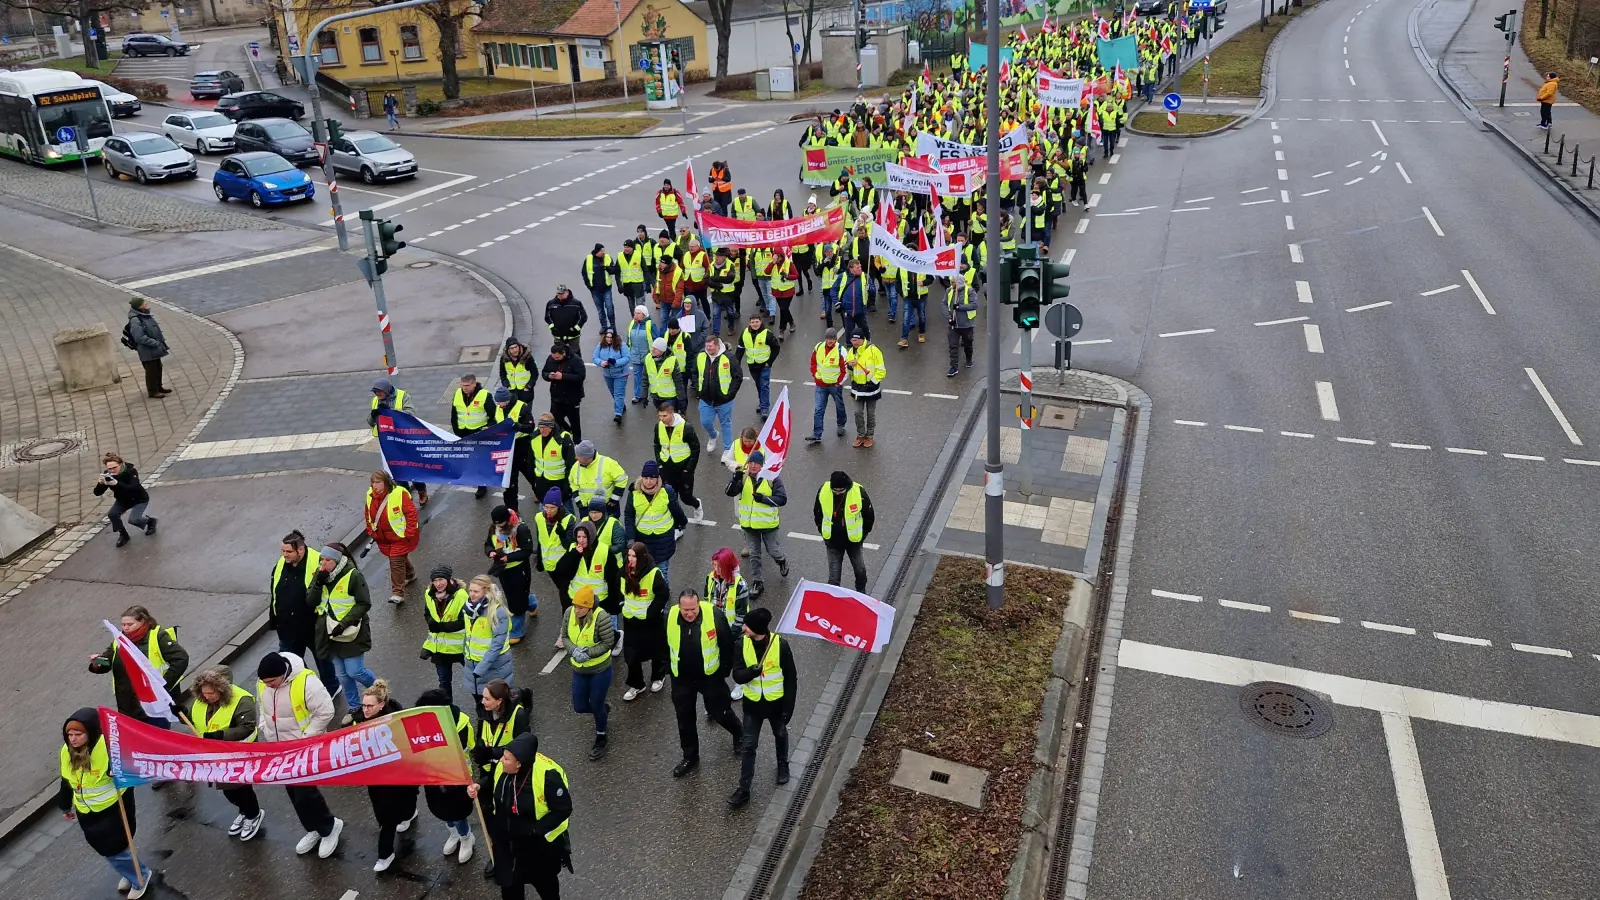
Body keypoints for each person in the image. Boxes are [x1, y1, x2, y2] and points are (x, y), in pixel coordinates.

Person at [58, 708, 155, 898]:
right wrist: (64, 805)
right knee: (111, 848)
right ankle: (130, 870)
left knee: (114, 849)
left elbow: (131, 765)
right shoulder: (66, 751)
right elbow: (66, 780)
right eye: (70, 734)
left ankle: (140, 876)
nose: (73, 739)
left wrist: (118, 769)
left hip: (113, 808)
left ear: (90, 732)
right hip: (87, 811)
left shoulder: (110, 747)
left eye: (78, 734)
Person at [257, 650, 343, 858]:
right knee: (293, 793)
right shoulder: (264, 683)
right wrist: (264, 728)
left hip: (302, 748)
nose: (268, 685)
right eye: (265, 682)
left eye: (272, 681)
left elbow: (326, 711)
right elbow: (263, 708)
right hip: (280, 749)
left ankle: (329, 827)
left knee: (306, 793)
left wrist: (307, 737)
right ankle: (312, 829)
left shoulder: (306, 682)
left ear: (282, 674)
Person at [468, 732, 573, 900]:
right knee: (510, 889)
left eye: (507, 759)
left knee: (547, 888)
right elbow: (493, 780)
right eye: (503, 756)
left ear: (519, 764)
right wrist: (479, 786)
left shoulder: (548, 777)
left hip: (537, 848)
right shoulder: (503, 766)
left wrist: (536, 830)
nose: (502, 760)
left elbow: (563, 809)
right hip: (507, 845)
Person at [665, 590, 743, 778]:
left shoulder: (714, 615)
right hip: (682, 678)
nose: (689, 614)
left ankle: (739, 733)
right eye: (685, 610)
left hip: (710, 677)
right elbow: (663, 643)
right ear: (679, 606)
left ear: (698, 604)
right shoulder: (669, 616)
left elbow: (727, 645)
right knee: (684, 719)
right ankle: (690, 756)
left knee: (720, 712)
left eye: (693, 609)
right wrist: (668, 668)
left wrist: (723, 672)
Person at [727, 607, 796, 807]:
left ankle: (783, 764)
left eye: (747, 625)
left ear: (758, 628)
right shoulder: (741, 644)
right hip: (753, 706)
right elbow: (737, 675)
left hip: (776, 704)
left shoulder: (780, 645)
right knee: (748, 746)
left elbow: (791, 679)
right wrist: (751, 672)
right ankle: (744, 788)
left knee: (781, 734)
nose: (744, 628)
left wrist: (787, 710)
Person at [189, 666, 262, 839]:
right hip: (216, 755)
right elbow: (198, 721)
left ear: (222, 689)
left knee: (241, 789)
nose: (207, 697)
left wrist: (220, 735)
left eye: (211, 694)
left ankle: (253, 815)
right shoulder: (203, 699)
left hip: (238, 754)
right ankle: (244, 811)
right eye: (204, 693)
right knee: (228, 791)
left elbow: (247, 727)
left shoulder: (242, 701)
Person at [355, 680, 420, 872]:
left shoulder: (396, 720)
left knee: (393, 812)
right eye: (363, 705)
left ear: (381, 705)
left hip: (397, 773)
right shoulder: (359, 719)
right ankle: (406, 816)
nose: (365, 709)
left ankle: (385, 854)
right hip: (375, 776)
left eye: (370, 706)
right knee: (384, 812)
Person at [89, 605, 187, 727]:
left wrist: (163, 685)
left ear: (143, 622)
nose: (125, 628)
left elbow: (181, 659)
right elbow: (108, 661)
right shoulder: (120, 639)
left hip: (153, 701)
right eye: (123, 625)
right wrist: (98, 663)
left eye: (130, 624)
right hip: (127, 702)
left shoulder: (157, 637)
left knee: (156, 738)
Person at [310, 542, 375, 722]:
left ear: (337, 561)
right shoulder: (319, 575)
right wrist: (318, 583)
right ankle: (355, 708)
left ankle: (379, 693)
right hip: (330, 633)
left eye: (328, 560)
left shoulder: (353, 576)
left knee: (355, 671)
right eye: (321, 559)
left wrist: (344, 623)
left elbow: (364, 603)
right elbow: (311, 601)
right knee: (343, 676)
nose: (323, 564)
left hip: (351, 632)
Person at [271, 530, 339, 695]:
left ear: (300, 550)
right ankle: (311, 689)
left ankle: (332, 688)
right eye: (283, 551)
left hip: (312, 626)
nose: (284, 555)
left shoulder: (318, 562)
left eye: (288, 552)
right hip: (287, 627)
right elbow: (275, 590)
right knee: (291, 663)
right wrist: (275, 618)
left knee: (323, 660)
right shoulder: (282, 563)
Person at [415, 687, 477, 864]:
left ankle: (466, 838)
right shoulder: (420, 723)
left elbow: (468, 746)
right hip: (433, 776)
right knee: (440, 808)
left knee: (458, 812)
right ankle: (454, 834)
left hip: (457, 775)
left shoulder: (461, 722)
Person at [724, 451, 788, 599]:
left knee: (773, 551)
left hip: (768, 525)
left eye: (757, 463)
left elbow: (782, 499)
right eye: (751, 463)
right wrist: (735, 480)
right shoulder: (743, 476)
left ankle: (781, 560)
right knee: (754, 554)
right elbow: (729, 492)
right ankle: (757, 582)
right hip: (749, 525)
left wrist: (763, 499)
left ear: (762, 464)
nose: (753, 466)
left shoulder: (773, 478)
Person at [565, 585, 617, 759]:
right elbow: (564, 636)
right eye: (575, 606)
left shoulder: (601, 617)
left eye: (580, 607)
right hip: (579, 669)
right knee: (579, 706)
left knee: (595, 703)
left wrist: (588, 653)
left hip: (599, 669)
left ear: (589, 607)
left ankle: (601, 736)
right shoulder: (569, 613)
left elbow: (608, 642)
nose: (576, 610)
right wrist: (573, 651)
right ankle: (603, 709)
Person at [553, 520, 621, 648]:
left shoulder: (604, 550)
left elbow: (613, 578)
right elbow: (560, 570)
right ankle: (566, 635)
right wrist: (574, 555)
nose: (581, 540)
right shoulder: (573, 549)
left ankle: (616, 637)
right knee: (577, 621)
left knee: (598, 626)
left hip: (599, 598)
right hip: (577, 596)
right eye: (578, 537)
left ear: (591, 536)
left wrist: (615, 600)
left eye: (584, 537)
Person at [619, 541, 670, 700]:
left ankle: (658, 676)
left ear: (641, 557)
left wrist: (650, 613)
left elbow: (663, 594)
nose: (630, 559)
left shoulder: (654, 573)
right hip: (630, 620)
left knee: (656, 651)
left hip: (650, 621)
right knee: (631, 655)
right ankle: (637, 684)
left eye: (633, 556)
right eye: (629, 555)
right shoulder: (624, 571)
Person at [623, 460, 688, 580]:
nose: (648, 481)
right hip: (643, 540)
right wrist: (631, 539)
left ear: (657, 478)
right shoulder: (634, 493)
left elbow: (676, 510)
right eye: (646, 478)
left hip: (663, 540)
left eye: (652, 478)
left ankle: (663, 597)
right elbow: (629, 516)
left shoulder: (666, 491)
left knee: (662, 572)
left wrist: (682, 522)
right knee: (644, 572)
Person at [815, 471, 875, 593]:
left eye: (841, 491)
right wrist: (823, 532)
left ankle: (861, 593)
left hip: (853, 542)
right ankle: (834, 601)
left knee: (860, 571)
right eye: (835, 491)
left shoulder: (858, 491)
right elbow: (817, 513)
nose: (837, 493)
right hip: (832, 542)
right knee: (833, 578)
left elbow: (869, 516)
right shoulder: (824, 490)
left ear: (846, 487)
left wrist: (862, 535)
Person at [372, 378, 429, 506]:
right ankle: (405, 496)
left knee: (412, 466)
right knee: (397, 469)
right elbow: (371, 422)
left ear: (386, 390)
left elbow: (410, 414)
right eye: (375, 393)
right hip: (389, 442)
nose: (377, 395)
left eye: (379, 392)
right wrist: (373, 415)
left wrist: (391, 412)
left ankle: (421, 491)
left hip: (405, 439)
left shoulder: (403, 396)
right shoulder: (376, 401)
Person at [365, 469, 419, 604]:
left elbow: (411, 514)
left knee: (395, 562)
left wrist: (408, 533)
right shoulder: (370, 495)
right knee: (399, 559)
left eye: (378, 482)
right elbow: (367, 513)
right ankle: (410, 574)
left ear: (386, 482)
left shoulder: (399, 494)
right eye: (373, 482)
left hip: (399, 537)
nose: (374, 486)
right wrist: (371, 530)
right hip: (383, 538)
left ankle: (397, 592)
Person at [464, 575, 515, 712]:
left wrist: (480, 669)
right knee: (481, 704)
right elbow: (468, 635)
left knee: (497, 706)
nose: (472, 594)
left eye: (476, 591)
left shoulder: (498, 612)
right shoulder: (469, 609)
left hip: (493, 667)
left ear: (486, 591)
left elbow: (497, 645)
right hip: (474, 666)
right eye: (470, 590)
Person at [486, 505, 535, 643]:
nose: (499, 527)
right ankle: (531, 603)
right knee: (513, 595)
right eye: (497, 524)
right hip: (503, 570)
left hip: (519, 569)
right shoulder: (494, 528)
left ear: (508, 520)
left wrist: (508, 558)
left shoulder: (521, 529)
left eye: (501, 524)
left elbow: (527, 550)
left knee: (516, 601)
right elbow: (488, 543)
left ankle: (517, 632)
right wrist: (490, 551)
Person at [422, 564, 469, 704]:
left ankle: (484, 707)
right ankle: (448, 714)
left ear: (448, 579)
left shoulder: (461, 595)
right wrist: (431, 622)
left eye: (441, 579)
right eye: (435, 580)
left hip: (461, 648)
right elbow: (427, 613)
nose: (438, 584)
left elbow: (464, 622)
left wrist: (440, 627)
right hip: (440, 649)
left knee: (475, 680)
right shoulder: (429, 594)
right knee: (444, 685)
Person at [695, 333, 743, 460]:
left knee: (726, 424)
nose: (708, 349)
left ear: (717, 345)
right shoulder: (701, 356)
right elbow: (694, 372)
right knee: (705, 422)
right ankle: (713, 435)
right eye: (707, 346)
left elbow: (737, 377)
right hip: (706, 399)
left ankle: (728, 450)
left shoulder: (729, 358)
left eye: (710, 346)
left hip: (724, 401)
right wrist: (698, 389)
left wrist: (730, 394)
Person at [473, 679, 531, 783]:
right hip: (487, 767)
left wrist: (491, 752)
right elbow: (481, 734)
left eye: (487, 699)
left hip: (507, 770)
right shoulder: (484, 709)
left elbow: (523, 747)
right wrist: (479, 748)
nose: (483, 701)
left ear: (499, 701)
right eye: (483, 697)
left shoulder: (518, 715)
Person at [93, 452, 155, 548]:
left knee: (134, 520)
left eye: (115, 467)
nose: (112, 470)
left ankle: (150, 521)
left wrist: (117, 483)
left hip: (139, 499)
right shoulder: (108, 475)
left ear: (121, 464)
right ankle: (123, 535)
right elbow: (97, 493)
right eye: (109, 468)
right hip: (123, 500)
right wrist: (100, 483)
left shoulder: (131, 471)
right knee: (112, 514)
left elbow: (133, 488)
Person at [654, 401, 702, 517]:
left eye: (664, 416)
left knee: (686, 497)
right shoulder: (658, 426)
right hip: (666, 467)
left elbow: (695, 448)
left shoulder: (686, 427)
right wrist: (660, 463)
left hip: (683, 468)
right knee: (670, 497)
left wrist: (689, 469)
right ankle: (677, 525)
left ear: (672, 413)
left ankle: (697, 504)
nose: (662, 419)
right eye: (660, 416)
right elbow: (657, 445)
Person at [493, 385, 536, 514]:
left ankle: (540, 492)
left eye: (500, 402)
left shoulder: (522, 407)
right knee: (510, 480)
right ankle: (512, 509)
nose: (499, 405)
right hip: (507, 447)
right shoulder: (499, 408)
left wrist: (517, 426)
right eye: (497, 402)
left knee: (530, 473)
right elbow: (496, 422)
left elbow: (530, 427)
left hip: (522, 446)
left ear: (507, 400)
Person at [804, 329, 849, 445]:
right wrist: (815, 375)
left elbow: (845, 370)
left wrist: (838, 383)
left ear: (836, 339)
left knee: (839, 406)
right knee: (818, 409)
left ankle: (841, 424)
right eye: (828, 338)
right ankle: (817, 434)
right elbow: (813, 362)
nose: (830, 341)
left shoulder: (841, 351)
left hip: (835, 386)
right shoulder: (818, 347)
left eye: (832, 339)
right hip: (821, 385)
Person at [453, 373, 493, 499]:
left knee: (478, 459)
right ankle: (480, 479)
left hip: (479, 432)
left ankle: (482, 486)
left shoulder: (484, 395)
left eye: (467, 385)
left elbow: (493, 415)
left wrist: (488, 428)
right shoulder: (457, 394)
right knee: (470, 459)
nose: (464, 388)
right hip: (463, 432)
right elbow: (454, 414)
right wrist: (456, 430)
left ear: (474, 384)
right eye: (462, 385)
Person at [532, 489, 575, 601]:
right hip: (549, 565)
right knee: (561, 590)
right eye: (546, 507)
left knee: (565, 596)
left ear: (559, 507)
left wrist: (563, 535)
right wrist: (540, 560)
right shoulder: (539, 518)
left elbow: (570, 545)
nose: (548, 511)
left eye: (552, 508)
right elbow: (540, 540)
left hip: (564, 566)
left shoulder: (569, 519)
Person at [124, 297, 170, 399]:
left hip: (153, 349)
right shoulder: (136, 320)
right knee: (151, 371)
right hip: (147, 350)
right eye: (144, 303)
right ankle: (152, 391)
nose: (146, 304)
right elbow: (139, 337)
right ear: (139, 306)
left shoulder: (144, 314)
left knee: (158, 368)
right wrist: (154, 343)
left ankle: (159, 387)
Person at [846, 330, 886, 449]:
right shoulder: (851, 351)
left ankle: (869, 436)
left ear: (862, 339)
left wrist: (872, 382)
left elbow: (881, 371)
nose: (853, 343)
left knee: (870, 413)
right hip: (857, 388)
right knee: (858, 412)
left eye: (856, 340)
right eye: (852, 340)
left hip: (871, 389)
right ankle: (860, 435)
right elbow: (849, 370)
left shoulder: (874, 351)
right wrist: (849, 366)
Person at [567, 440, 628, 517]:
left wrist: (614, 499)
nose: (576, 458)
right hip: (585, 509)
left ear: (586, 458)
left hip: (606, 508)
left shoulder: (608, 463)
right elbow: (572, 483)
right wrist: (577, 499)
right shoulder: (576, 466)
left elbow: (622, 478)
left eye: (578, 456)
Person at [735, 313, 779, 419]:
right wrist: (736, 364)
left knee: (764, 385)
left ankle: (764, 408)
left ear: (760, 322)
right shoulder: (744, 333)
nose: (755, 324)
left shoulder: (767, 334)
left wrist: (769, 362)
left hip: (764, 365)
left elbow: (776, 348)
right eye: (753, 322)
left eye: (757, 322)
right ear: (750, 323)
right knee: (759, 385)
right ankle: (762, 402)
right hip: (752, 365)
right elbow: (740, 349)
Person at [529, 413, 575, 510]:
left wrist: (567, 486)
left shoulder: (563, 439)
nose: (542, 430)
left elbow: (571, 464)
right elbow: (531, 460)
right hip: (542, 480)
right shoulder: (534, 437)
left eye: (546, 427)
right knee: (545, 510)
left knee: (565, 509)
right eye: (540, 427)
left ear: (552, 426)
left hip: (559, 482)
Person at [542, 342, 587, 442]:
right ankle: (564, 432)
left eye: (557, 357)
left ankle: (577, 442)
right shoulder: (551, 359)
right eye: (554, 357)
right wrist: (549, 376)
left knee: (575, 422)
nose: (555, 359)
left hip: (572, 397)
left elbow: (581, 376)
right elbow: (544, 372)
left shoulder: (576, 360)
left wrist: (563, 376)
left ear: (564, 353)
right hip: (556, 396)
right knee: (555, 419)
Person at [705, 545, 751, 633]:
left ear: (728, 566)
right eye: (714, 565)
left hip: (732, 632)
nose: (716, 569)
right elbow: (706, 600)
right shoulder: (710, 578)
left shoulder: (740, 585)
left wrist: (730, 636)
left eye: (720, 566)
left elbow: (741, 615)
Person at [592, 329, 630, 424]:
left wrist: (616, 362)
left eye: (611, 337)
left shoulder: (622, 345)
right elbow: (595, 357)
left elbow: (627, 357)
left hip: (620, 374)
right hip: (607, 374)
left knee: (618, 394)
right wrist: (601, 362)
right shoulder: (600, 345)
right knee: (613, 392)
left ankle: (618, 414)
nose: (609, 339)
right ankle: (621, 406)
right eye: (607, 337)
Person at [580, 243, 618, 332]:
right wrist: (589, 286)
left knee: (609, 308)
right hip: (595, 290)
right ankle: (604, 326)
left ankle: (612, 326)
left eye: (604, 250)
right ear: (597, 251)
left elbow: (614, 270)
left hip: (606, 288)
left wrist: (608, 268)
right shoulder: (589, 259)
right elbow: (584, 273)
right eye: (602, 251)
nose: (603, 252)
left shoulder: (607, 258)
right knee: (600, 310)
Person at [946, 272, 978, 377]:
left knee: (968, 344)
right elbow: (943, 303)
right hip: (953, 325)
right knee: (953, 345)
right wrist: (949, 318)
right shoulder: (949, 291)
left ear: (958, 282)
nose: (951, 284)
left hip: (966, 325)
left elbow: (974, 305)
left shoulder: (970, 291)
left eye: (953, 282)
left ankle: (969, 358)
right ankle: (953, 367)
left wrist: (960, 307)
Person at [623, 306, 656, 408]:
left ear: (644, 315)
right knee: (637, 376)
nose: (635, 315)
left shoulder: (650, 325)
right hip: (635, 356)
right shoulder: (632, 324)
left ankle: (652, 394)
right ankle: (638, 395)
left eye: (638, 313)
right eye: (635, 313)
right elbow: (629, 339)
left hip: (648, 356)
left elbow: (656, 339)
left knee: (649, 376)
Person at [544, 285, 588, 353]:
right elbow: (547, 317)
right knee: (559, 354)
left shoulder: (576, 303)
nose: (560, 295)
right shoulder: (551, 304)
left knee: (575, 354)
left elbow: (584, 317)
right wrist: (552, 327)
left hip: (573, 335)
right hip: (558, 335)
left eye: (562, 293)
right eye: (559, 293)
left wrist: (577, 328)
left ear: (567, 292)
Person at [645, 336, 683, 412]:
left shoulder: (672, 360)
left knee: (669, 418)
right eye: (653, 347)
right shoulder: (648, 358)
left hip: (669, 397)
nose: (652, 350)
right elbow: (644, 378)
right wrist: (644, 395)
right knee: (662, 417)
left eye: (655, 348)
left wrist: (682, 398)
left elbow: (678, 380)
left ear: (662, 351)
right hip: (655, 396)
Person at [837, 259, 871, 339]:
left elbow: (873, 290)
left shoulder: (865, 276)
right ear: (851, 269)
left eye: (860, 267)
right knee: (849, 333)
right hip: (847, 312)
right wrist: (836, 302)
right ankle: (850, 348)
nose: (860, 269)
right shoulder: (842, 276)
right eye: (857, 267)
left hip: (860, 311)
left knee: (865, 330)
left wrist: (869, 288)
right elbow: (833, 290)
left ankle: (867, 345)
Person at [499, 337, 537, 404]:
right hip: (511, 393)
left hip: (525, 394)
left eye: (516, 347)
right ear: (508, 350)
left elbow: (535, 374)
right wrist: (506, 385)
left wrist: (528, 387)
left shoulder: (527, 357)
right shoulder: (504, 359)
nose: (515, 350)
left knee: (526, 413)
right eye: (512, 348)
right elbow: (502, 374)